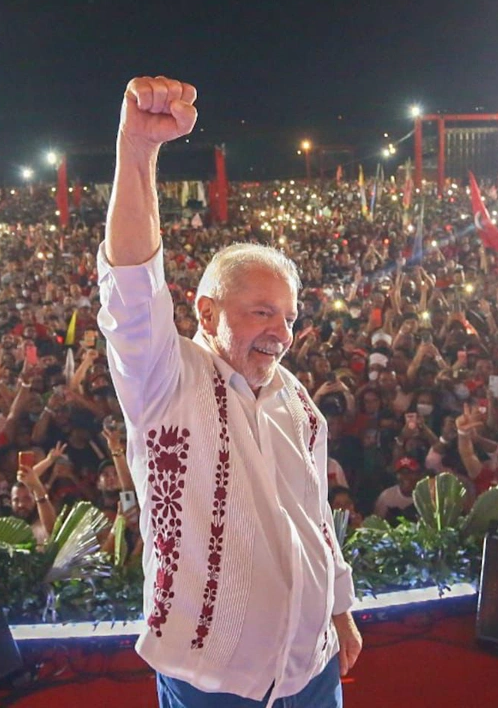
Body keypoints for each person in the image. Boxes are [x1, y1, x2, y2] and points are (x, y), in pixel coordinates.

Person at [98, 76, 358, 708]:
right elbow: (132, 290)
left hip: (311, 669)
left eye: (290, 317)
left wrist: (340, 608)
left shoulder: (298, 402)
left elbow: (315, 515)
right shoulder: (166, 380)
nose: (281, 332)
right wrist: (137, 152)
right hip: (211, 679)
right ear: (207, 310)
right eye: (261, 312)